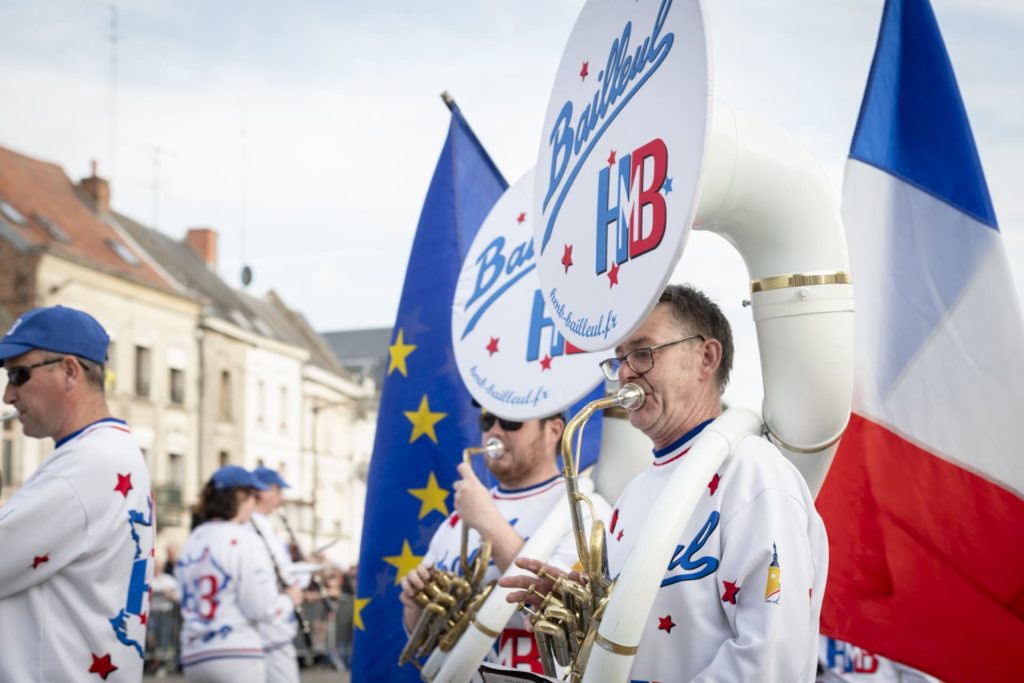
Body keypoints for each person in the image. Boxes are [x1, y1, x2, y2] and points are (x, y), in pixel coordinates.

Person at [501, 284, 829, 681]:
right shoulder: (634, 492)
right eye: (619, 359)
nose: (623, 373)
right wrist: (583, 615)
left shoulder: (754, 474)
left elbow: (770, 660)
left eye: (642, 353)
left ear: (705, 358)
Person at [0, 305, 155, 681]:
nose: (8, 395)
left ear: (70, 371)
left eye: (19, 375)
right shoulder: (110, 451)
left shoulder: (87, 463)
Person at [399, 409, 611, 674]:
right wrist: (417, 599)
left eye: (511, 421)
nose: (494, 432)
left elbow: (559, 612)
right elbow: (420, 636)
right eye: (487, 421)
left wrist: (490, 525)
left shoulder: (584, 509)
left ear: (554, 430)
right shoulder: (458, 516)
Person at [176, 465, 303, 682]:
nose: (255, 503)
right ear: (238, 497)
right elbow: (261, 608)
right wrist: (290, 599)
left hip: (194, 653)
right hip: (235, 651)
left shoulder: (193, 540)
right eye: (252, 496)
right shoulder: (244, 540)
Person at [251, 466, 302, 683]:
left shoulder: (264, 524)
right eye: (278, 491)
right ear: (264, 491)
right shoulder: (251, 524)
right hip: (270, 623)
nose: (281, 498)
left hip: (276, 622)